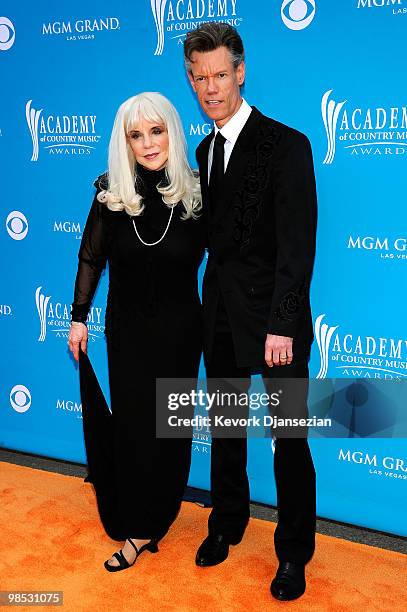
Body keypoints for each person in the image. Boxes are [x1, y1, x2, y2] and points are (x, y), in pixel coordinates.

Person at [184, 23, 317, 601]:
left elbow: (298, 245)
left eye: (219, 75)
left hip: (274, 323)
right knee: (227, 428)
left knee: (288, 437)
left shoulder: (286, 144)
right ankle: (227, 523)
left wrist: (284, 324)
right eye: (198, 78)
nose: (210, 88)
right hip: (219, 314)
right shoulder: (204, 148)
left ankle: (293, 553)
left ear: (241, 72)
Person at [68, 92, 205, 572]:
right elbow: (90, 257)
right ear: (123, 141)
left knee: (170, 430)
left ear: (172, 130)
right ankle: (138, 525)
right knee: (133, 429)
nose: (148, 143)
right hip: (127, 332)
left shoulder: (196, 190)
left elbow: (232, 257)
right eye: (135, 134)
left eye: (156, 130)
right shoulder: (111, 192)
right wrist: (79, 316)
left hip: (182, 333)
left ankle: (156, 518)